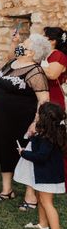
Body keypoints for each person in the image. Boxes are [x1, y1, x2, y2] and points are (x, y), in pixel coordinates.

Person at [0, 34, 51, 208]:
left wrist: (37, 122)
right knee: (3, 150)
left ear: (32, 52)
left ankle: (30, 196)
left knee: (25, 155)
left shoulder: (35, 71)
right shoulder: (11, 63)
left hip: (21, 119)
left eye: (23, 45)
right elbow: (1, 86)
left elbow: (44, 100)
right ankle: (7, 190)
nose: (20, 46)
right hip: (0, 117)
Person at [14, 102, 66, 229]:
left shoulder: (47, 138)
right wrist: (32, 135)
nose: (36, 115)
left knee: (46, 202)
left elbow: (41, 157)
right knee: (41, 199)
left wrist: (23, 153)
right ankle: (43, 225)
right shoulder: (47, 134)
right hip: (44, 175)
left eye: (38, 114)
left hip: (48, 176)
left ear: (44, 118)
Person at [41, 27, 67, 189]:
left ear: (55, 41)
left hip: (54, 99)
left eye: (48, 38)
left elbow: (52, 75)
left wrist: (36, 62)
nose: (45, 40)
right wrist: (16, 43)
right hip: (41, 96)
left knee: (55, 136)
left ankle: (62, 175)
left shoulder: (59, 55)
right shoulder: (44, 55)